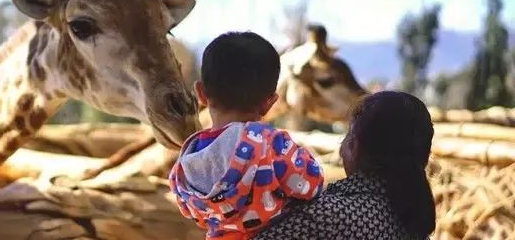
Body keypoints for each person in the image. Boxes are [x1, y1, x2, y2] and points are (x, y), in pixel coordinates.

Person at [168, 31, 325, 239]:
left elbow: (188, 209)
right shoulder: (272, 144)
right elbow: (312, 184)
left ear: (201, 94)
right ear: (270, 102)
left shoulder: (190, 156)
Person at [254, 90, 436, 240]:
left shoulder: (325, 217)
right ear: (425, 156)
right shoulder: (416, 223)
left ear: (353, 146)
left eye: (347, 136)